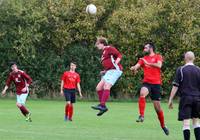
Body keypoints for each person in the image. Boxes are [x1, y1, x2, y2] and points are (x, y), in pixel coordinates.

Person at [130, 43, 169, 135]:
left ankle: (163, 126)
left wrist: (147, 63)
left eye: (146, 47)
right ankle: (141, 115)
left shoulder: (158, 56)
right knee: (142, 93)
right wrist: (133, 68)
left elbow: (159, 65)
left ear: (151, 48)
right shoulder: (143, 59)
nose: (144, 49)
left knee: (158, 109)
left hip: (156, 84)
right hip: (147, 83)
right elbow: (137, 66)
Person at [168, 51, 200, 140]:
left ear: (185, 58)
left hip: (186, 99)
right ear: (194, 58)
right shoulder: (198, 70)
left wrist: (170, 99)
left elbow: (175, 86)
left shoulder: (181, 69)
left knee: (186, 124)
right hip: (197, 99)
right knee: (196, 123)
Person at [91, 37, 123, 116]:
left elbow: (119, 55)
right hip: (109, 72)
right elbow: (108, 63)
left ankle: (102, 105)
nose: (97, 46)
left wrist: (116, 62)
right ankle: (103, 107)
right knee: (98, 88)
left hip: (115, 70)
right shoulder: (103, 52)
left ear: (102, 43)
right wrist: (105, 71)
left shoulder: (109, 48)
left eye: (98, 44)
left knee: (107, 86)